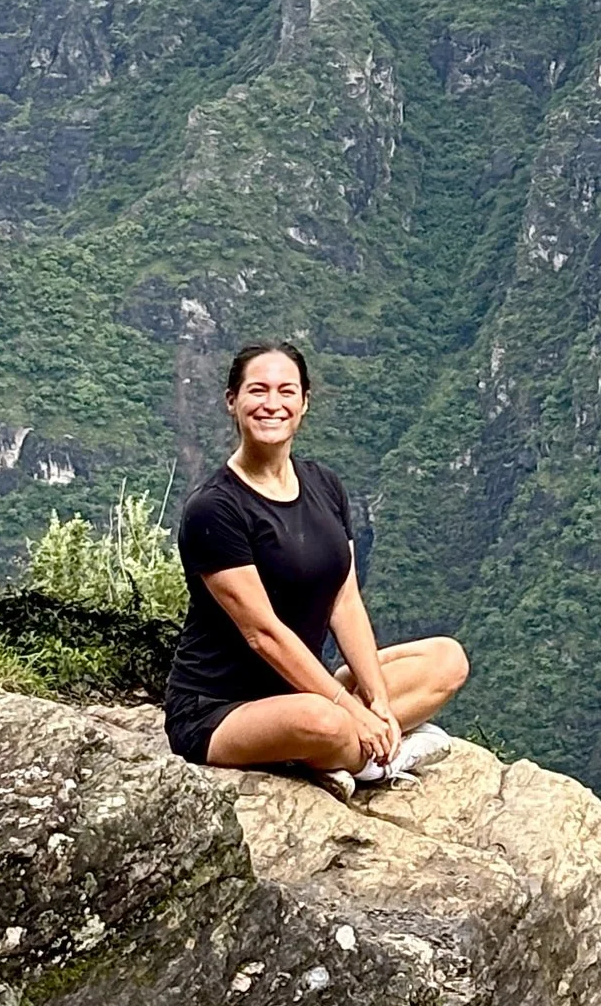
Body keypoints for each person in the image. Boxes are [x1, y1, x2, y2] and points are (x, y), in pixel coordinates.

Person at [163, 339, 469, 795]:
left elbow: (344, 601)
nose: (272, 404)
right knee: (322, 719)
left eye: (287, 392)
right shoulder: (216, 509)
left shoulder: (323, 484)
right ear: (233, 401)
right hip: (220, 709)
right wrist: (347, 706)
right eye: (258, 391)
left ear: (304, 402)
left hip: (302, 688)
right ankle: (382, 758)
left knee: (446, 659)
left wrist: (378, 702)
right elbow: (262, 635)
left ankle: (359, 747)